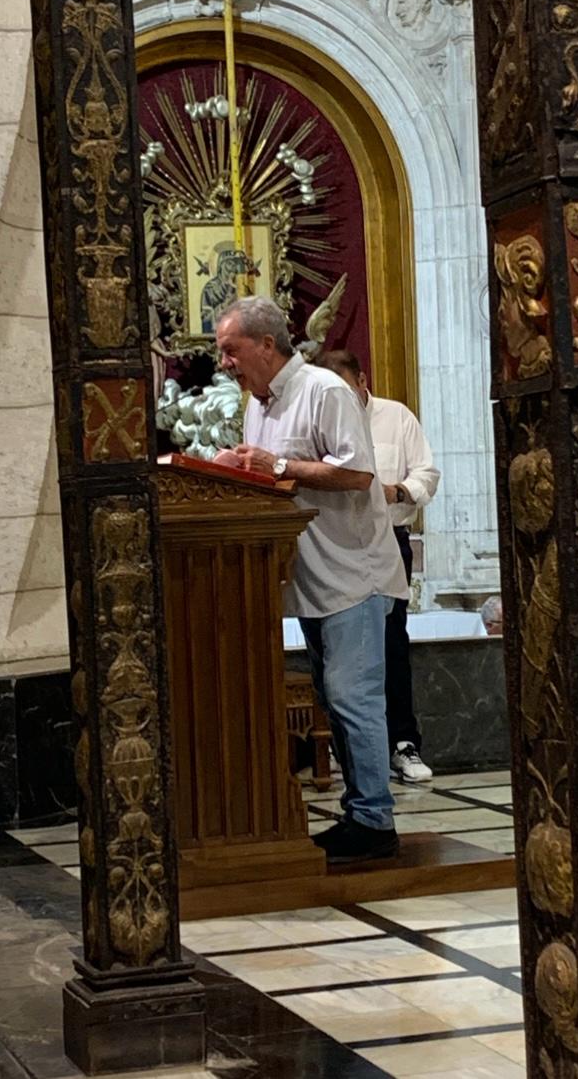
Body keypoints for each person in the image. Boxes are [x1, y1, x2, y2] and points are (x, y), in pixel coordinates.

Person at [214, 298, 409, 862]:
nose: (224, 363)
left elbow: (357, 473)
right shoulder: (260, 405)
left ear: (267, 346)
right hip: (310, 576)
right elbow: (274, 480)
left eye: (232, 350)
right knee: (333, 696)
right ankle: (359, 811)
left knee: (353, 696)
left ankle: (375, 820)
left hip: (356, 574)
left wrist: (273, 467)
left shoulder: (324, 390)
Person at [317, 349, 440, 783]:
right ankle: (342, 747)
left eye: (346, 391)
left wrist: (399, 492)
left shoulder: (395, 416)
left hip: (389, 539)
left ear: (363, 380)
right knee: (334, 651)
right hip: (335, 546)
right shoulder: (320, 417)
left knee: (390, 643)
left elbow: (427, 473)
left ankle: (402, 744)